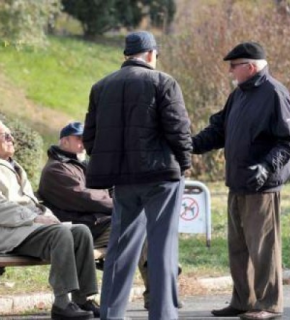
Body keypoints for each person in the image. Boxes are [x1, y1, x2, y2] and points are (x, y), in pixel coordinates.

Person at [83, 31, 192, 320]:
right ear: (151, 54)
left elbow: (90, 138)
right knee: (161, 247)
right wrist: (184, 163)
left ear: (127, 54)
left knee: (120, 247)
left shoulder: (101, 86)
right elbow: (179, 130)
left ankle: (111, 313)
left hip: (122, 179)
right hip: (160, 176)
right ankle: (163, 314)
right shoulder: (163, 82)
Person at [192, 42, 290, 320]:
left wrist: (267, 166)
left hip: (262, 188)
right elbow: (218, 130)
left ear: (250, 67)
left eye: (234, 66)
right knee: (238, 249)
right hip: (237, 183)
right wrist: (189, 145)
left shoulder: (275, 93)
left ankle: (269, 305)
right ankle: (243, 300)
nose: (230, 71)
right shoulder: (238, 94)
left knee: (264, 249)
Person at [0, 119, 100, 320]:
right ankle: (62, 303)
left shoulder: (12, 166)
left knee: (80, 231)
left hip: (20, 229)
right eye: (5, 136)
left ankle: (83, 298)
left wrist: (47, 217)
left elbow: (32, 203)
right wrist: (34, 219)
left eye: (11, 135)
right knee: (60, 234)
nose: (12, 139)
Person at [38, 121, 177, 310]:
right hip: (80, 230)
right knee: (137, 226)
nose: (84, 142)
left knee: (140, 226)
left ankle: (159, 288)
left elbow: (109, 190)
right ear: (64, 141)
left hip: (96, 224)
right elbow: (85, 197)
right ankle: (160, 285)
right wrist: (122, 205)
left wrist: (118, 200)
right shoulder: (57, 169)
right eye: (79, 138)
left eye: (86, 138)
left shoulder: (81, 165)